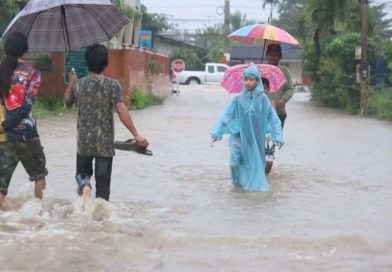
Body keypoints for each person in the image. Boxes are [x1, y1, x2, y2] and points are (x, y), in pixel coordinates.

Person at [64, 44, 148, 202]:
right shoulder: (112, 85)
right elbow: (121, 110)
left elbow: (67, 102)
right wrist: (136, 135)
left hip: (84, 143)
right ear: (105, 63)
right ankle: (101, 223)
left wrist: (71, 83)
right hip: (105, 146)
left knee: (83, 177)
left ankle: (85, 187)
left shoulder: (79, 85)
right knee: (103, 188)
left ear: (87, 62)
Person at [210, 66, 283, 192]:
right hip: (238, 136)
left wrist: (278, 136)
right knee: (234, 161)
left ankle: (249, 190)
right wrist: (217, 133)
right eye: (245, 79)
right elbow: (226, 116)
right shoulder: (237, 100)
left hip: (256, 139)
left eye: (251, 79)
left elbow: (273, 118)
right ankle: (236, 182)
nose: (248, 82)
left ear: (257, 81)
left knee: (255, 164)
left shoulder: (263, 99)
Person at [0, 32, 47, 208]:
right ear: (24, 50)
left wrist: (4, 126)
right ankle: (37, 216)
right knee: (39, 175)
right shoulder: (33, 73)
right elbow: (26, 106)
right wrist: (8, 124)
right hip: (27, 134)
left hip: (3, 136)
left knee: (1, 185)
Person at [266, 44, 294, 129]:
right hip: (263, 112)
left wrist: (283, 100)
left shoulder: (285, 71)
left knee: (276, 139)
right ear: (267, 55)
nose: (272, 57)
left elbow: (290, 89)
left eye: (275, 55)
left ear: (280, 56)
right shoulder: (262, 70)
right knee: (267, 139)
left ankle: (275, 142)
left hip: (279, 113)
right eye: (270, 54)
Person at [262, 77, 276, 175]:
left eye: (265, 88)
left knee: (269, 161)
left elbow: (275, 120)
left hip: (269, 136)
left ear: (269, 89)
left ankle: (266, 176)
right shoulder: (250, 103)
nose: (263, 90)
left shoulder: (271, 102)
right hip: (256, 135)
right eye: (260, 87)